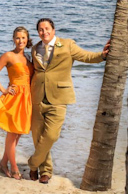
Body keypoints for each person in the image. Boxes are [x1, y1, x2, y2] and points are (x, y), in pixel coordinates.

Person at [28, 18, 110, 184]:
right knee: (38, 136)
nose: (44, 32)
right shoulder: (35, 48)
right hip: (36, 96)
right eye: (41, 30)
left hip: (58, 98)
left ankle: (32, 164)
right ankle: (45, 171)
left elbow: (86, 56)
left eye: (47, 28)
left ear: (53, 29)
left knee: (51, 135)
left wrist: (102, 56)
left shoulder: (67, 45)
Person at [0, 26, 34, 180]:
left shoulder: (28, 58)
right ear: (13, 39)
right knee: (12, 134)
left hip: (26, 98)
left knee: (18, 133)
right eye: (17, 38)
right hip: (14, 98)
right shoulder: (8, 56)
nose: (20, 40)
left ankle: (3, 163)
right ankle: (14, 168)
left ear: (27, 39)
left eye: (23, 38)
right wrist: (4, 90)